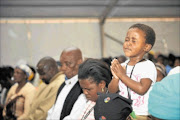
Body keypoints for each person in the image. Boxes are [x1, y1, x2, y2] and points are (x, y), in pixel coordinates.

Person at [109, 23, 157, 120]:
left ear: (146, 47)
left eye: (134, 41)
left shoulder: (148, 66)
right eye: (127, 40)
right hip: (123, 114)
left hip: (141, 115)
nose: (128, 43)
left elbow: (142, 89)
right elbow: (111, 91)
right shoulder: (123, 66)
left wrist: (122, 75)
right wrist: (116, 77)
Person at [46, 47, 83, 120]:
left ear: (79, 62)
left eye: (68, 64)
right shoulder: (63, 85)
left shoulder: (83, 87)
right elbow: (53, 110)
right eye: (61, 64)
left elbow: (74, 117)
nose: (63, 68)